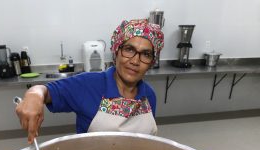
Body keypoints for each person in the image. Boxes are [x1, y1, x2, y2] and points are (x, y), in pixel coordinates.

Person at [15, 19, 164, 143]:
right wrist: (34, 96)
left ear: (151, 62)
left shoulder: (149, 96)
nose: (135, 61)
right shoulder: (88, 84)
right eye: (129, 50)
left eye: (146, 54)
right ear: (116, 52)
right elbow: (46, 91)